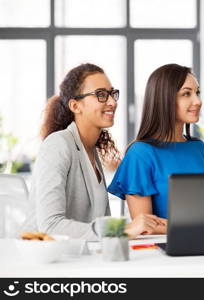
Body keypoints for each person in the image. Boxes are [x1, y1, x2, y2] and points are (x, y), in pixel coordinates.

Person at [21, 63, 161, 239]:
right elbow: (50, 226)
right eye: (101, 95)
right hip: (45, 259)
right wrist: (123, 229)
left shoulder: (91, 151)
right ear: (75, 106)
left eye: (112, 93)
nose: (112, 102)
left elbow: (98, 228)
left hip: (81, 259)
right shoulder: (57, 144)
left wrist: (135, 227)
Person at [108, 64, 204, 234]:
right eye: (186, 94)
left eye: (197, 93)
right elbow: (144, 226)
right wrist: (198, 227)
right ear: (164, 99)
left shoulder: (199, 149)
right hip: (166, 251)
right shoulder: (140, 154)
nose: (198, 101)